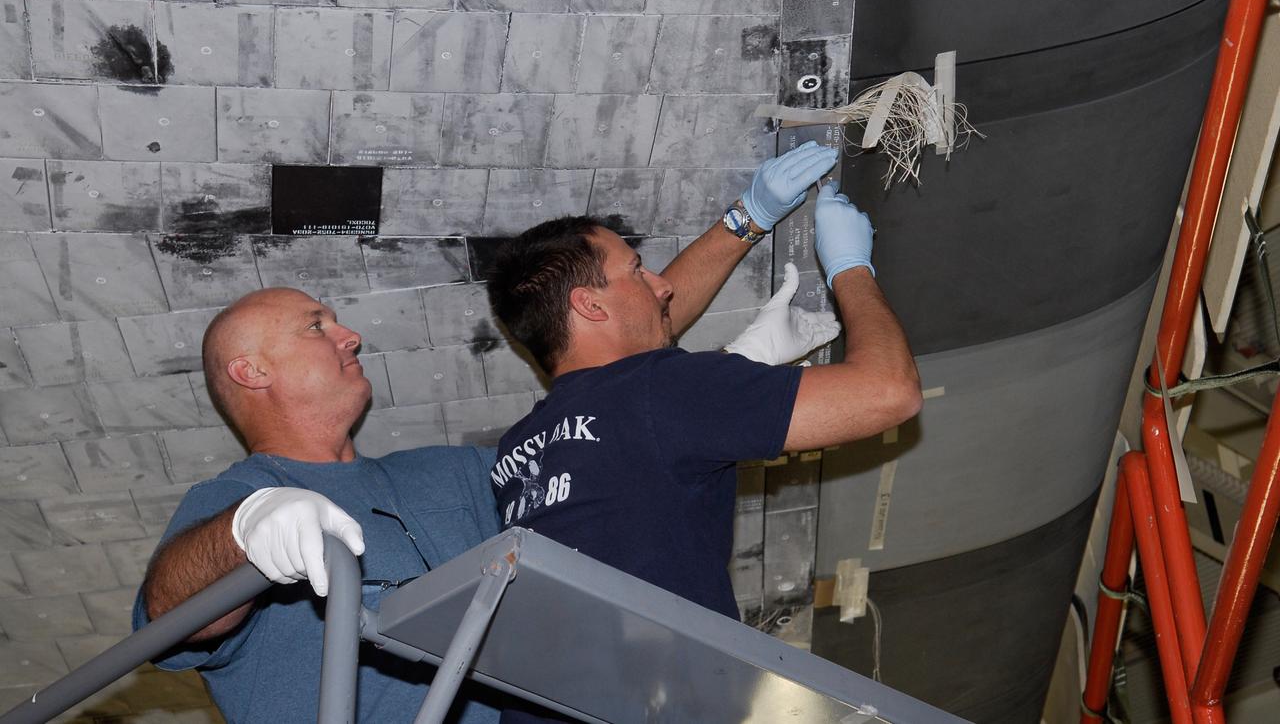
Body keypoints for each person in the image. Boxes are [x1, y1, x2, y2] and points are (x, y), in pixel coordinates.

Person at [485, 141, 921, 713]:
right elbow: (890, 392)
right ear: (590, 306)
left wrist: (749, 217)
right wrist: (851, 268)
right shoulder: (661, 392)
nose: (662, 285)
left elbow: (634, 334)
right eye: (637, 270)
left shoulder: (517, 452)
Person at [132, 287, 503, 724]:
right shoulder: (240, 495)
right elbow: (170, 612)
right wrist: (243, 530)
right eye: (315, 326)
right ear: (252, 371)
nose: (351, 337)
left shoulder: (453, 471)